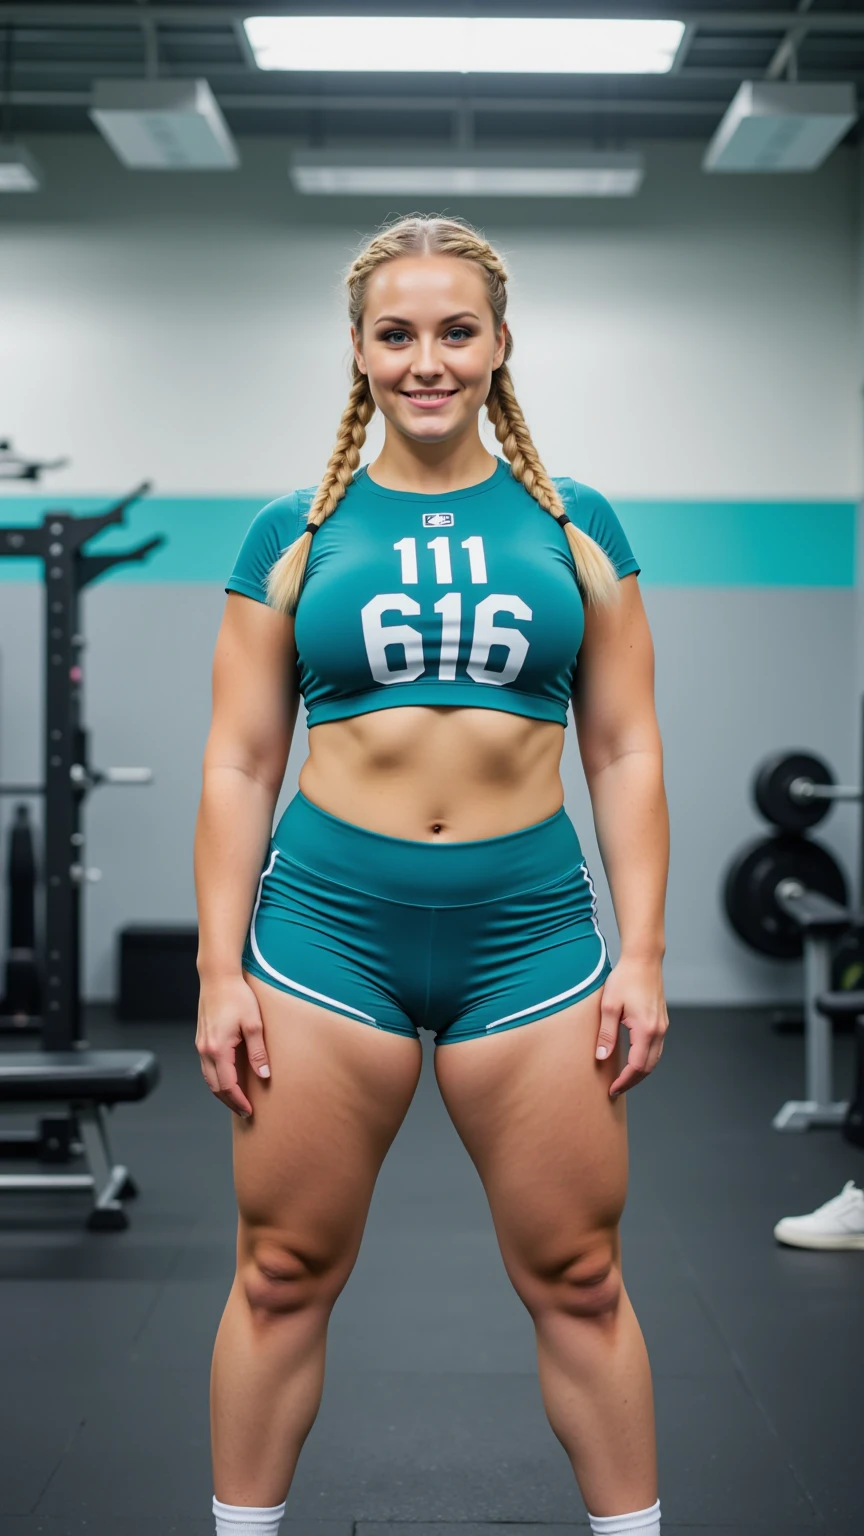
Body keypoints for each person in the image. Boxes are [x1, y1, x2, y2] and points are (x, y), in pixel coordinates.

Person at [194, 213, 670, 1536]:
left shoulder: (578, 524)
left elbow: (625, 749)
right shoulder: (292, 533)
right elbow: (239, 764)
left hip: (529, 938)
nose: (427, 360)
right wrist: (214, 970)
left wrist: (643, 953)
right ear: (356, 351)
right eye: (396, 334)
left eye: (455, 331)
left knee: (580, 1277)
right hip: (324, 936)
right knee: (282, 1272)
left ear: (500, 345)